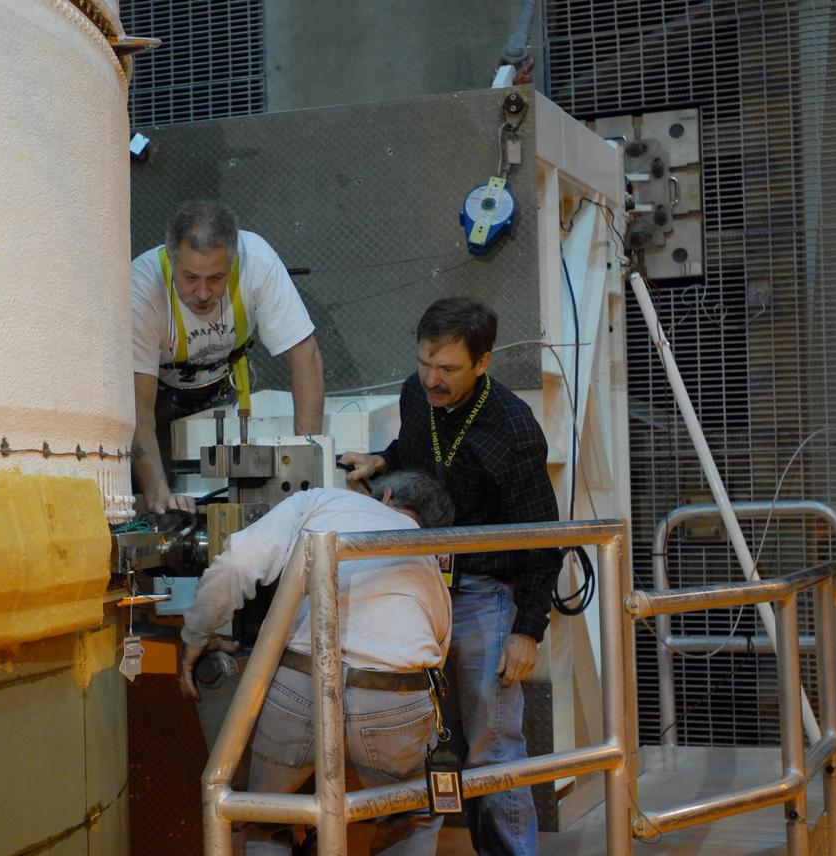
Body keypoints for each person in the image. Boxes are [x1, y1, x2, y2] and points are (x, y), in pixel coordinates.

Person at [340, 297, 561, 856]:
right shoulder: (417, 394)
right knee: (427, 738)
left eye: (448, 370)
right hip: (416, 588)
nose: (432, 380)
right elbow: (416, 449)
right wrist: (381, 461)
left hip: (483, 597)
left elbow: (543, 537)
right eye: (424, 363)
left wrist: (527, 629)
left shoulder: (512, 428)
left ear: (483, 362)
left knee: (492, 745)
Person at [178, 473, 455, 855]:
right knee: (410, 818)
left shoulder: (322, 501)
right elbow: (438, 646)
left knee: (266, 815)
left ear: (386, 495)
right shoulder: (428, 549)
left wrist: (195, 634)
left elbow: (236, 565)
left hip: (301, 681)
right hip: (394, 693)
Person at [131, 202, 325, 514]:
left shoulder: (258, 261)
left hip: (224, 384)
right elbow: (137, 406)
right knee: (154, 496)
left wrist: (306, 465)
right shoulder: (141, 288)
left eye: (216, 278)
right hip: (160, 394)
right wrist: (158, 494)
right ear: (171, 258)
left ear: (233, 260)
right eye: (191, 278)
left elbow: (305, 354)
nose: (204, 292)